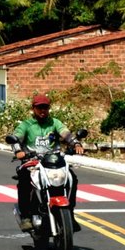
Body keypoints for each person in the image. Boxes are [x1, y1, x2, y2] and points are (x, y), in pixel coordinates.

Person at [11, 94, 85, 232]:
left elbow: (66, 134)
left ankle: (70, 213)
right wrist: (18, 151)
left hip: (54, 160)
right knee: (24, 180)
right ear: (33, 108)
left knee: (72, 179)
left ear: (49, 108)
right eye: (39, 107)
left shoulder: (54, 123)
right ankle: (26, 217)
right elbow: (16, 138)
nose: (42, 110)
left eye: (45, 107)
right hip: (32, 161)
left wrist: (75, 143)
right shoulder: (26, 125)